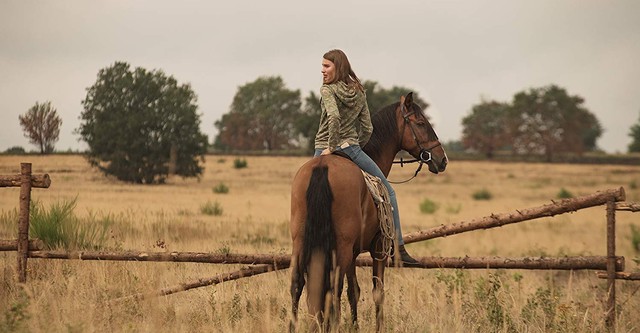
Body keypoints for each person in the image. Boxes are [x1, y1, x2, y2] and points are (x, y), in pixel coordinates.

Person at [313, 49, 418, 265]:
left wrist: (331, 147)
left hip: (324, 147)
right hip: (351, 148)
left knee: (309, 195)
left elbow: (333, 118)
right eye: (322, 66)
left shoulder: (327, 90)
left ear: (338, 67)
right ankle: (398, 249)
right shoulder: (359, 91)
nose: (322, 71)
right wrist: (353, 144)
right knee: (388, 191)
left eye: (326, 66)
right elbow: (368, 128)